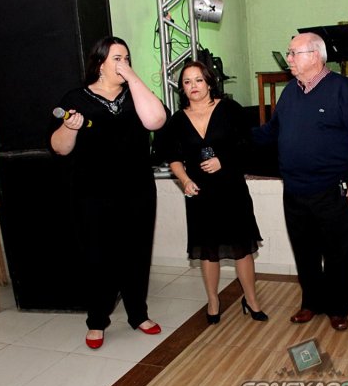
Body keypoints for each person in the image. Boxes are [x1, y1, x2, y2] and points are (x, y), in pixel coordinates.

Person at [50, 36, 167, 349]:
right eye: (116, 58)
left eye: (127, 58)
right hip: (93, 192)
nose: (123, 63)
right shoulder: (77, 97)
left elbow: (156, 120)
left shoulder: (136, 93)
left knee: (137, 253)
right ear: (100, 63)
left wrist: (132, 77)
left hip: (137, 189)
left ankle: (138, 314)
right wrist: (70, 128)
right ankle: (97, 320)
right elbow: (59, 148)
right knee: (98, 256)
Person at [252, 32, 348, 331]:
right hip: (294, 190)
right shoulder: (289, 93)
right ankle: (311, 302)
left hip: (333, 189)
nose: (288, 59)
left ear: (315, 56)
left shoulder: (342, 89)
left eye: (294, 53)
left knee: (338, 253)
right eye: (289, 53)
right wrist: (235, 136)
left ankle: (338, 307)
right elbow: (271, 132)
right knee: (304, 252)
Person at [163, 60, 266, 324]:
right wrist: (185, 180)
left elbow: (248, 146)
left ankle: (251, 300)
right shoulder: (177, 120)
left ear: (209, 82)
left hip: (231, 189)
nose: (193, 86)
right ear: (182, 88)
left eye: (198, 80)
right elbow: (173, 158)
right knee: (208, 250)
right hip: (200, 194)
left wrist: (224, 160)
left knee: (242, 248)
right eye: (187, 82)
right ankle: (213, 300)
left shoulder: (230, 109)